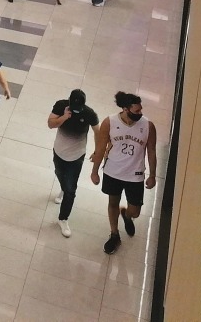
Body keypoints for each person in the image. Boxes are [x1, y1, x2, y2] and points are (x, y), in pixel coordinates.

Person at [91, 92, 157, 255]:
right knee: (113, 202)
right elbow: (100, 148)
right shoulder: (109, 122)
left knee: (135, 211)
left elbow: (152, 151)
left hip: (135, 175)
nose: (139, 114)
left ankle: (127, 216)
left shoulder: (148, 126)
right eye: (136, 111)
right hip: (113, 171)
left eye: (140, 110)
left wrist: (152, 175)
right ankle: (114, 234)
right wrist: (95, 172)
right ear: (125, 109)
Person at [48, 90, 100, 238]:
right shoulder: (60, 106)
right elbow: (50, 124)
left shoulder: (89, 113)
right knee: (59, 174)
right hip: (58, 152)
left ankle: (63, 219)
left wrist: (97, 151)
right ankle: (64, 188)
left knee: (71, 189)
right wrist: (64, 117)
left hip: (76, 157)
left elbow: (98, 131)